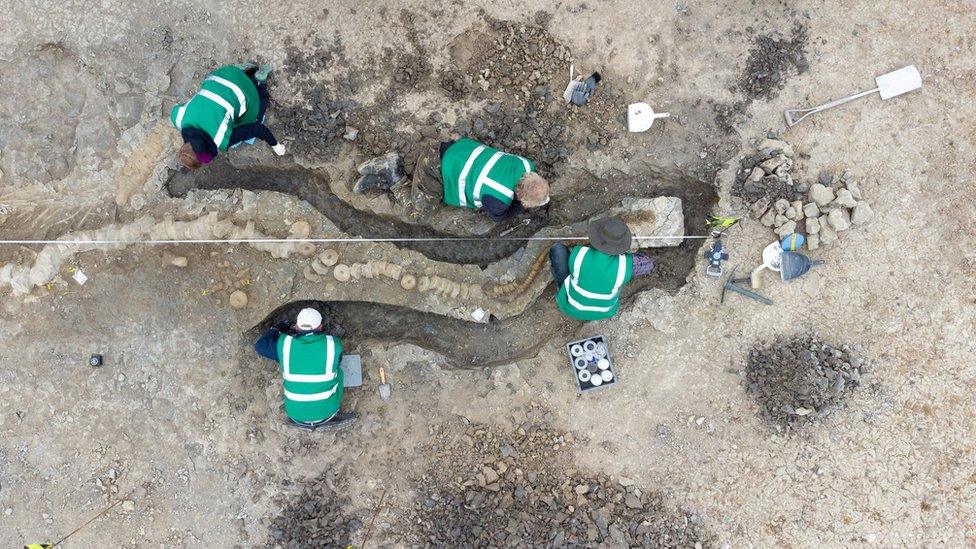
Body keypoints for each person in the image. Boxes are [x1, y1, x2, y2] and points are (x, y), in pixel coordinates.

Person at [356, 137, 550, 221]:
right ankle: (393, 174)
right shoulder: (498, 200)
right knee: (418, 215)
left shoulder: (526, 165)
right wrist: (522, 206)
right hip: (435, 169)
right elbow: (500, 217)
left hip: (450, 149)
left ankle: (381, 179)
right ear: (520, 197)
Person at [253, 307, 356, 430]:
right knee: (338, 372)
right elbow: (338, 362)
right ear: (320, 327)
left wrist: (276, 329)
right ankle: (329, 417)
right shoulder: (333, 344)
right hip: (327, 413)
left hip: (295, 414)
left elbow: (260, 345)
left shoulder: (284, 345)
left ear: (296, 326)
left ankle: (305, 420)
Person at [170, 63, 286, 170]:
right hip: (222, 74)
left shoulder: (221, 138)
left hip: (241, 87)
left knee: (256, 117)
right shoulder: (178, 118)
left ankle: (259, 81)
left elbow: (258, 129)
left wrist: (276, 146)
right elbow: (185, 107)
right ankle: (241, 70)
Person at [549, 217, 656, 321]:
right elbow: (648, 264)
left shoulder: (579, 253)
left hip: (569, 306)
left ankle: (562, 288)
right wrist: (626, 256)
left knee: (558, 249)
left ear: (595, 238)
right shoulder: (624, 265)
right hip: (605, 311)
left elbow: (578, 265)